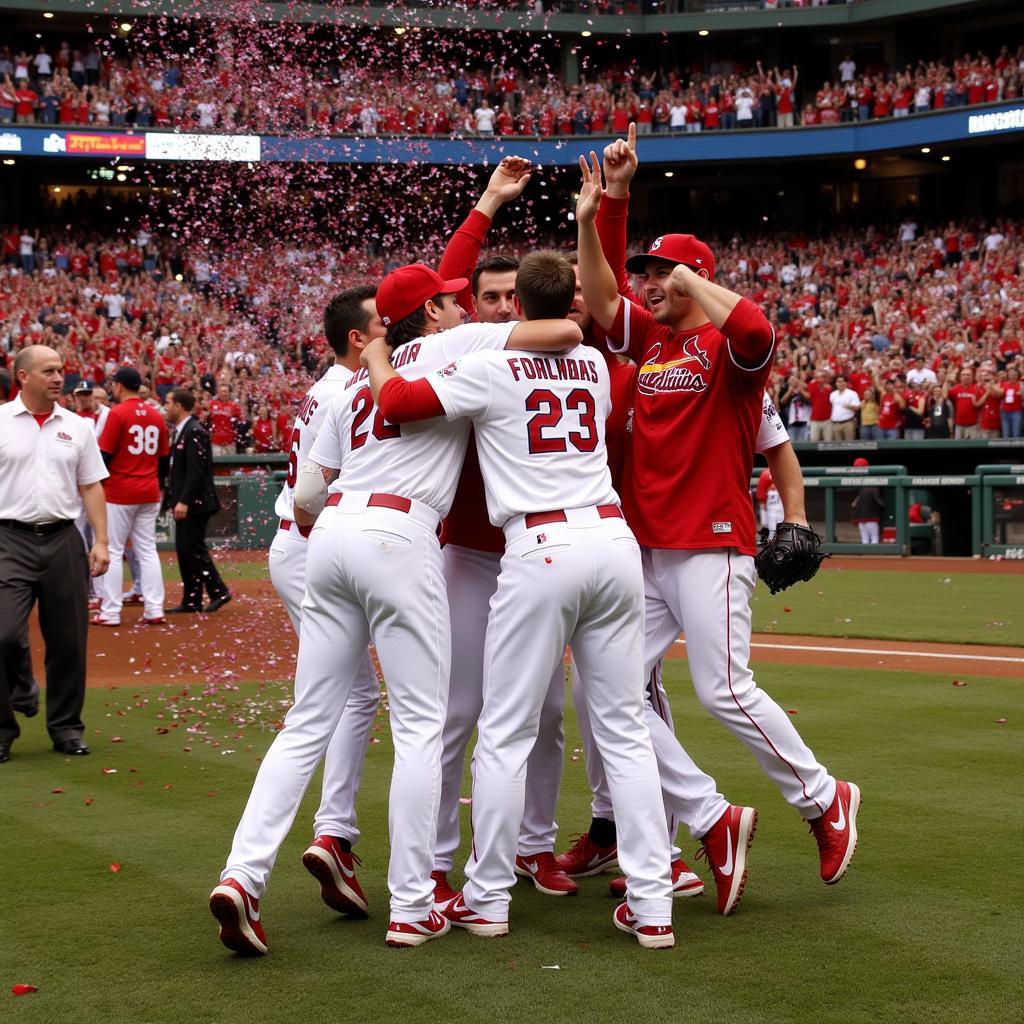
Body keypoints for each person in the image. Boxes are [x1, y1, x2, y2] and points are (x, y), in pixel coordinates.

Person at [209, 261, 580, 954]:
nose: (463, 308)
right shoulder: (451, 346)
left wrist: (378, 356)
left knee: (304, 723)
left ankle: (242, 874)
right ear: (431, 314)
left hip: (332, 534)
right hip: (402, 532)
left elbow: (309, 497)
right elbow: (564, 329)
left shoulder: (352, 382)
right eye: (450, 302)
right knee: (420, 726)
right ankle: (411, 906)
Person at [362, 250, 675, 948]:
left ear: (515, 307)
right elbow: (582, 325)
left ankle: (489, 897)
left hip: (540, 548)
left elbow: (398, 402)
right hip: (613, 542)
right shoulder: (594, 363)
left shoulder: (490, 365)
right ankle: (654, 905)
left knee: (503, 732)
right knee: (622, 730)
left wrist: (383, 352)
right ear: (569, 303)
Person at [576, 143, 860, 890]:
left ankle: (825, 800)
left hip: (711, 541)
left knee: (724, 689)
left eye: (659, 274)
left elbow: (759, 334)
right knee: (609, 692)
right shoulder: (654, 344)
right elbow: (604, 300)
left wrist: (691, 277)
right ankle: (706, 819)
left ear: (693, 279)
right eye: (646, 274)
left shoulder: (726, 352)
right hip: (643, 548)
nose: (646, 286)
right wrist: (611, 202)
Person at [267, 285, 384, 918]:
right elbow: (314, 492)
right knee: (344, 697)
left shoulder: (328, 385)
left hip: (301, 542)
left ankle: (334, 831)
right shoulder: (348, 389)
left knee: (349, 694)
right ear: (357, 339)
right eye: (381, 324)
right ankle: (333, 831)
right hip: (312, 539)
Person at [0, 345, 109, 762]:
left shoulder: (78, 427)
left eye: (60, 369)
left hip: (64, 537)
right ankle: (6, 720)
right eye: (48, 370)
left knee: (69, 640)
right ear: (22, 377)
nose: (58, 377)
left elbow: (91, 485)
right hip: (8, 538)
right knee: (4, 634)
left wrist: (100, 540)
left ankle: (65, 728)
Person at [91, 366, 170, 627]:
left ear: (120, 386)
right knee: (147, 550)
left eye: (114, 384)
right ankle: (154, 609)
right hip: (149, 490)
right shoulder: (156, 415)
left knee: (112, 550)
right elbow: (164, 461)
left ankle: (111, 612)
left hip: (120, 491)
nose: (112, 388)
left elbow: (104, 457)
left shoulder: (117, 413)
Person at [163, 388, 231, 614]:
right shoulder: (183, 430)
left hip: (195, 503)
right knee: (185, 549)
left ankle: (218, 590)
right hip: (188, 502)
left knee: (190, 547)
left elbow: (197, 471)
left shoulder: (194, 430)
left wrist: (184, 501)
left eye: (168, 402)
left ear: (179, 406)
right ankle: (191, 599)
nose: (165, 407)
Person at [851, 458, 885, 544]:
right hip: (870, 518)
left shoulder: (872, 480)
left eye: (859, 467)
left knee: (866, 539)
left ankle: (868, 554)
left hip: (863, 518)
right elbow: (878, 501)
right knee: (873, 537)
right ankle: (872, 555)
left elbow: (854, 504)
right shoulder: (866, 486)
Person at [828, 375, 861, 441]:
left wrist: (848, 406)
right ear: (836, 383)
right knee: (837, 447)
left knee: (849, 446)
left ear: (846, 383)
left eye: (842, 381)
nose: (841, 383)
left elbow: (857, 407)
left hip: (848, 423)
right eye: (838, 381)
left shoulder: (852, 393)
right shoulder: (832, 394)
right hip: (836, 424)